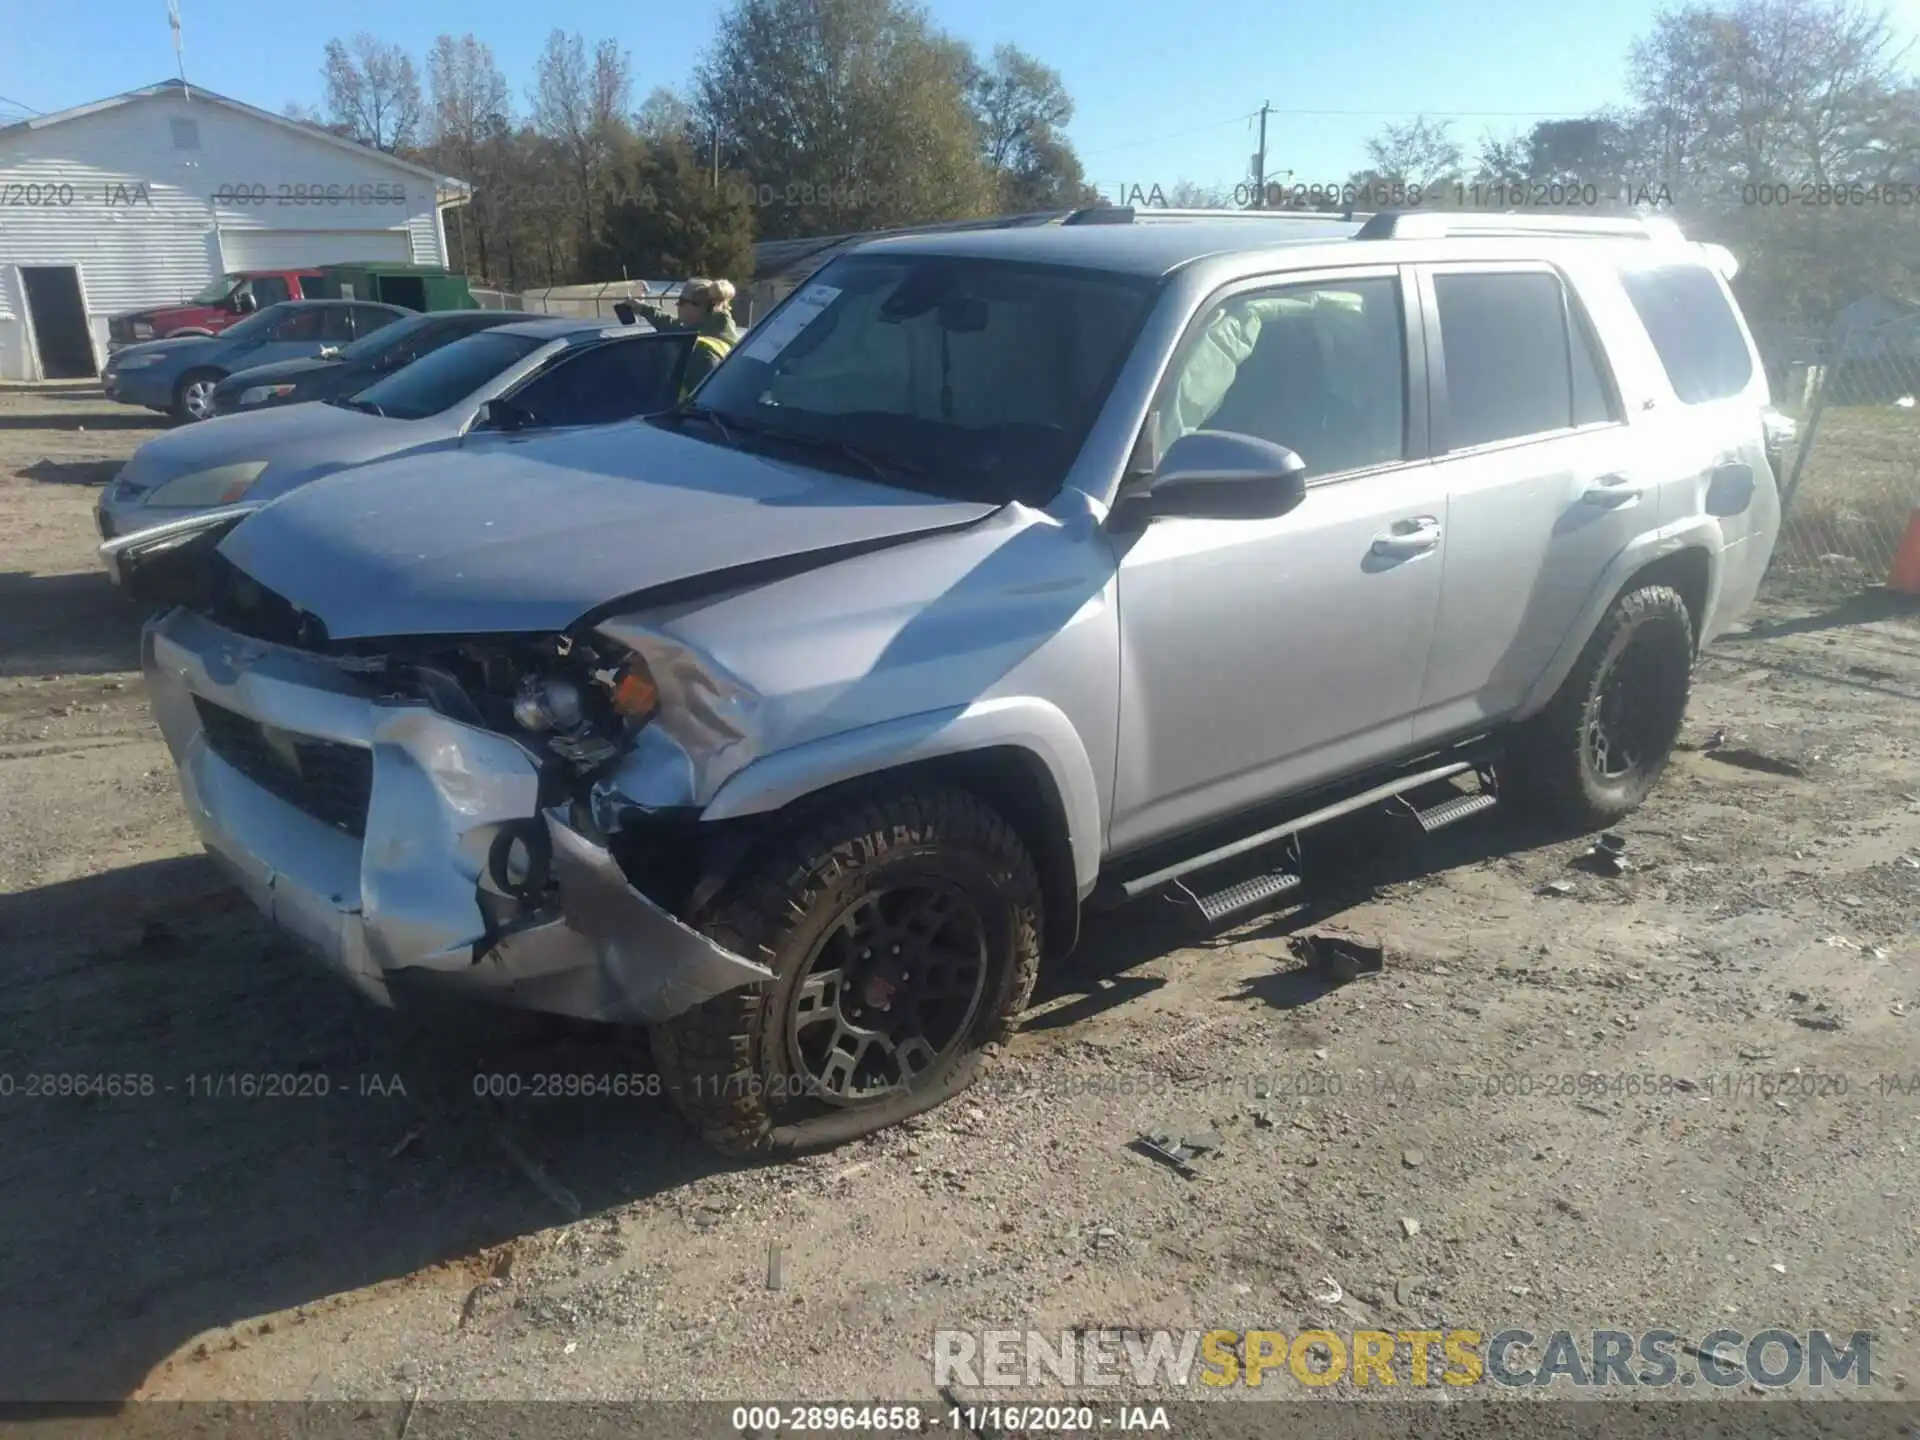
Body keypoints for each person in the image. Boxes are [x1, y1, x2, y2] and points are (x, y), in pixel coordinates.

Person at [637, 278, 741, 396]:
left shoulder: (702, 351)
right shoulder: (715, 329)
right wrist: (642, 308)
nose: (677, 307)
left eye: (682, 302)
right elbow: (671, 325)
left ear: (702, 307)